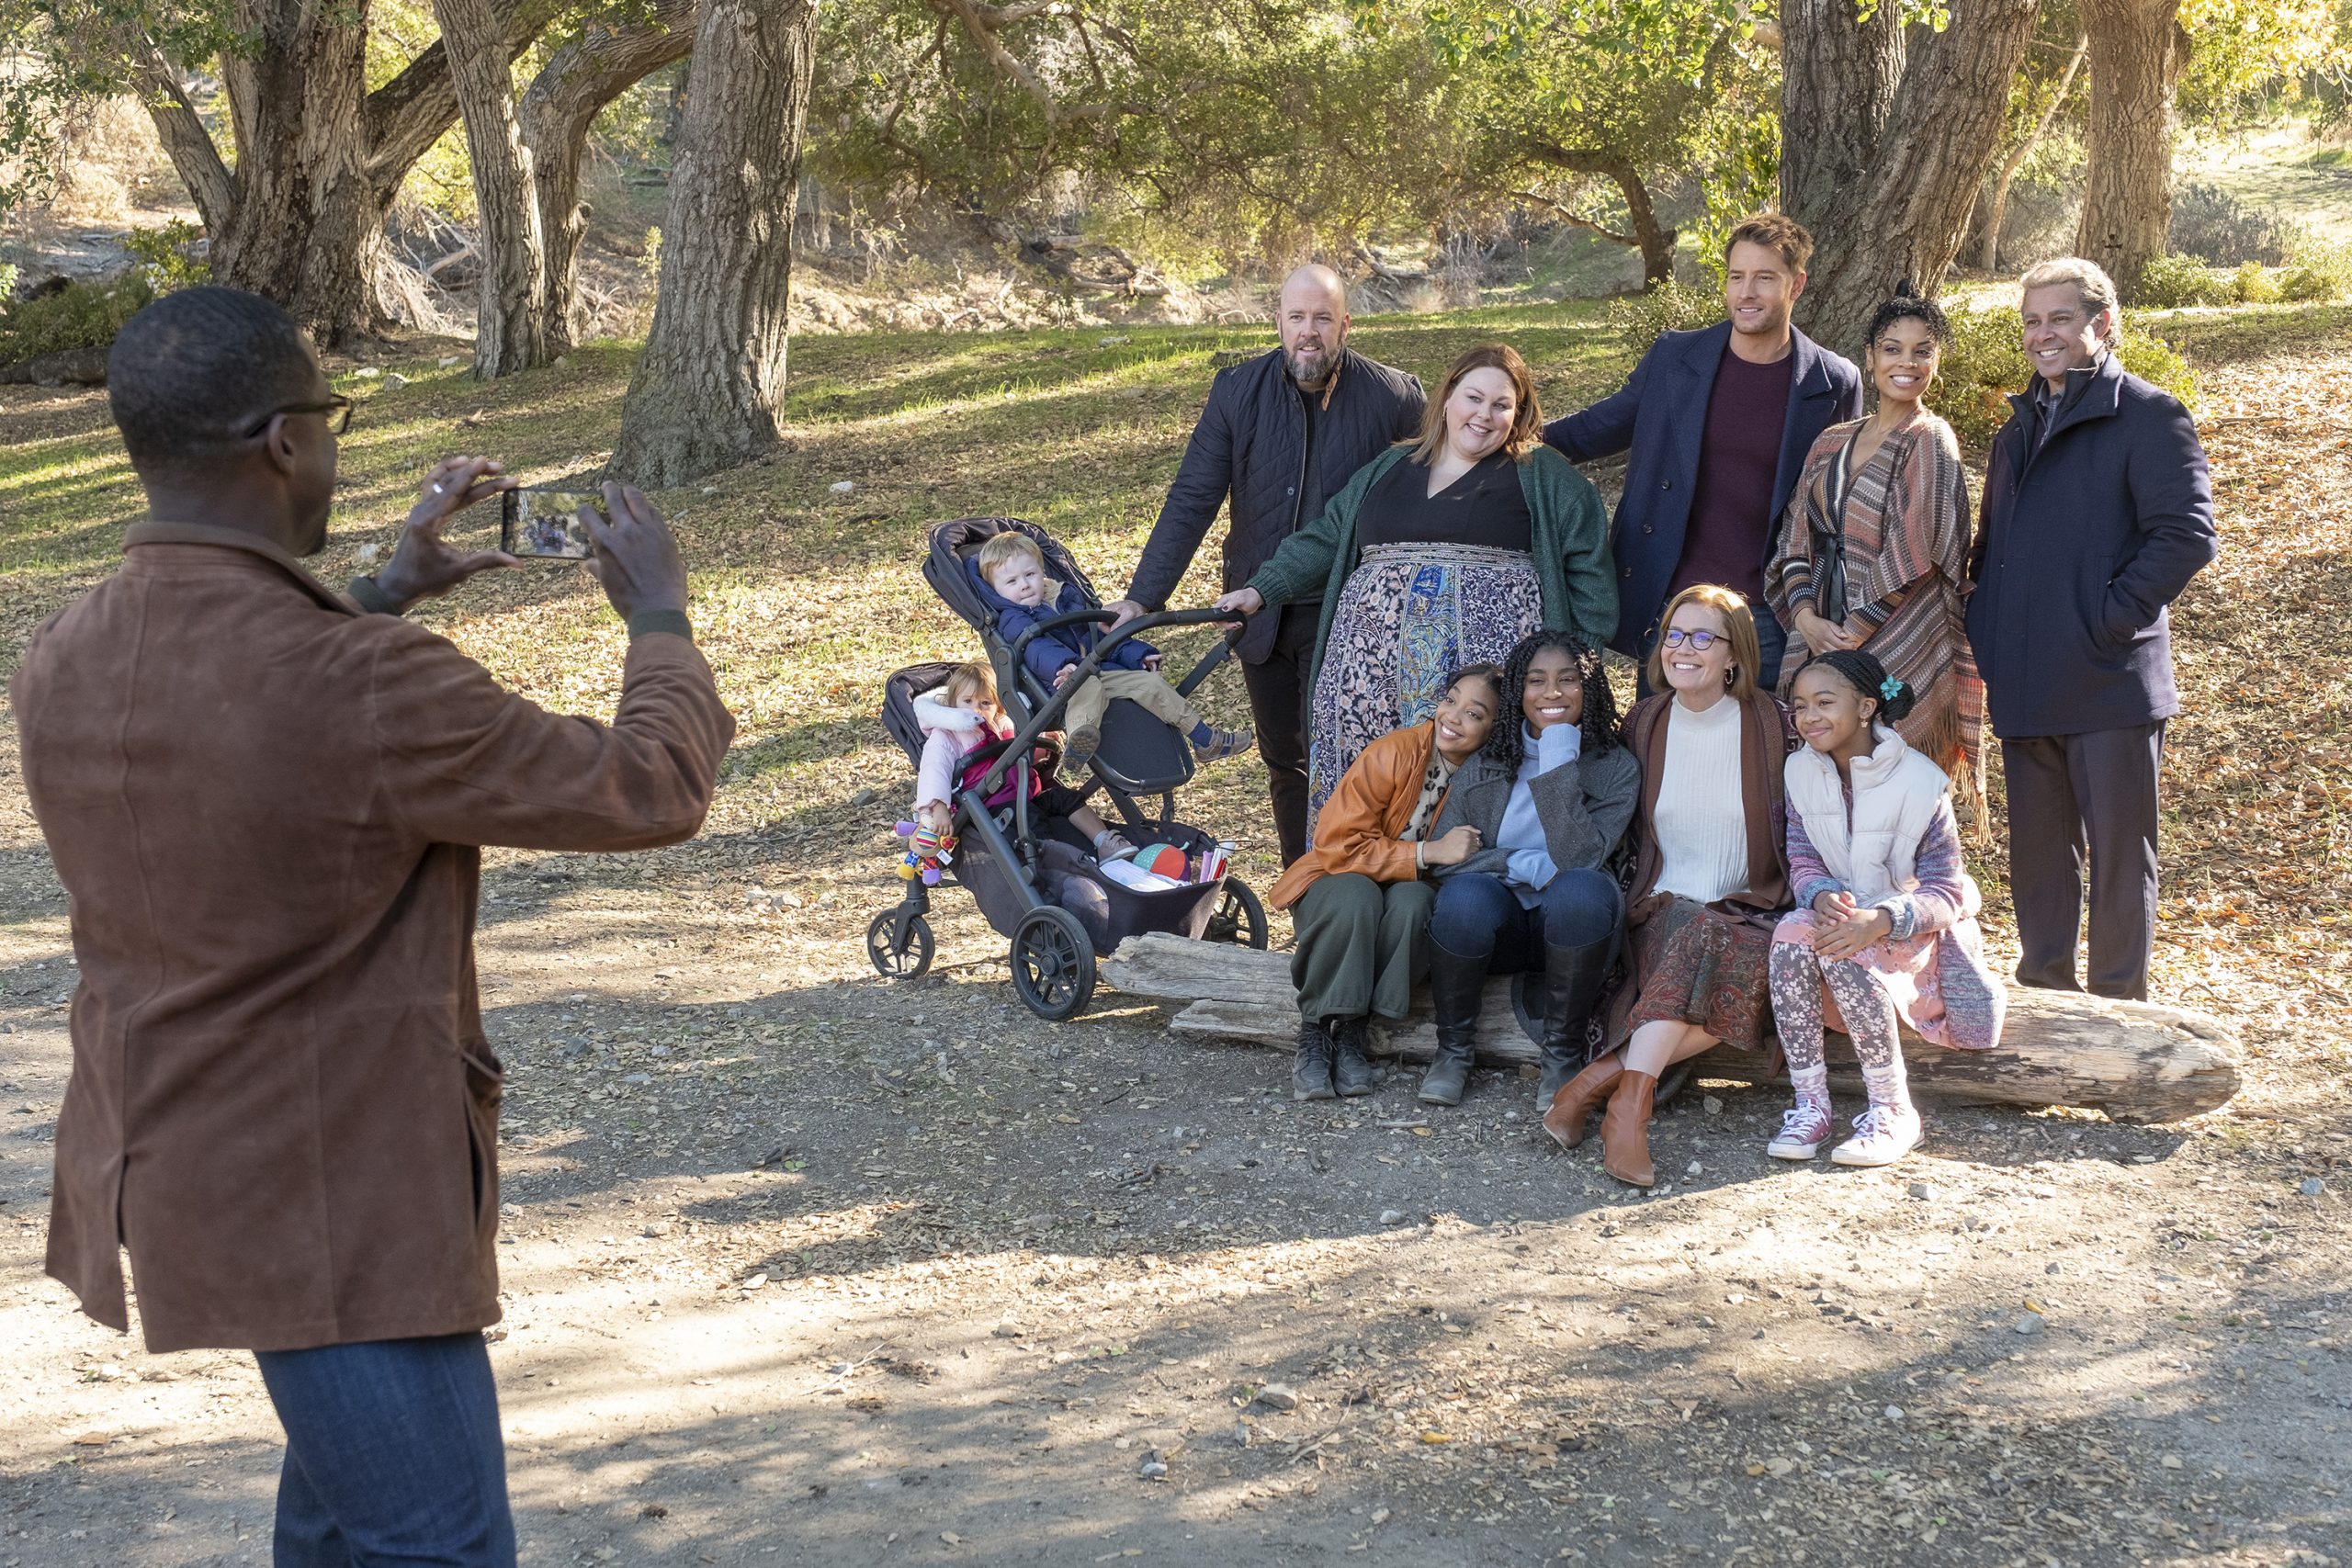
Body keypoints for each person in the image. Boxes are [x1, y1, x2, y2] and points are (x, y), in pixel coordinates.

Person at [14, 287, 736, 1564]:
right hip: (334, 1190)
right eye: (333, 421)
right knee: (438, 1546)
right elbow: (650, 787)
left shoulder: (66, 648)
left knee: (347, 1531)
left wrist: (383, 589)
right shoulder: (360, 682)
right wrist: (659, 618)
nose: (335, 451)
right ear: (284, 440)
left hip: (176, 1154)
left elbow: (249, 713)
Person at [1215, 344, 1615, 828]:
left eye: (1501, 405)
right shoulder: (1389, 467)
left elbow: (1590, 575)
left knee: (1469, 798)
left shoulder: (1544, 475)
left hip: (1479, 682)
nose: (1483, 415)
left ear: (1519, 414)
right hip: (1366, 678)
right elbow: (1326, 536)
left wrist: (1577, 672)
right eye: (1473, 398)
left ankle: (1462, 876)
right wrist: (1261, 590)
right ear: (1447, 398)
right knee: (1367, 794)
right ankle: (1358, 872)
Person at [1109, 265, 1425, 865]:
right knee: (1285, 763)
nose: (1310, 331)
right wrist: (1144, 597)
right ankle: (1303, 889)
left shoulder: (1395, 398)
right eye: (1298, 317)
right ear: (1277, 321)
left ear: (1345, 325)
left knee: (1346, 759)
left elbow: (1425, 502)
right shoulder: (1237, 391)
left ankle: (1352, 887)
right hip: (1261, 614)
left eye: (1323, 318)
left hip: (1349, 613)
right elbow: (1192, 498)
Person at [1966, 257, 2218, 1000]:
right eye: (2031, 321)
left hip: (2109, 681)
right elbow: (1991, 546)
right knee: (2040, 865)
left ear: (2101, 323)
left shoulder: (2148, 415)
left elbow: (2187, 535)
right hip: (2025, 678)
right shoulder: (2016, 431)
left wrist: (2107, 619)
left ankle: (2119, 1019)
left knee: (2119, 863)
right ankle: (2049, 1008)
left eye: (2060, 318)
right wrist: (1990, 627)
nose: (2042, 334)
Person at [1543, 213, 1863, 691]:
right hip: (1673, 603)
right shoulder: (1676, 357)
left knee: (1761, 739)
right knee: (1659, 735)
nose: (1746, 292)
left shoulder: (1833, 381)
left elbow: (1837, 506)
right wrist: (1512, 441)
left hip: (1768, 611)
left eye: (1764, 278)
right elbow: (1601, 426)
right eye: (1736, 277)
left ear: (1796, 285)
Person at [1541, 585, 1793, 1188]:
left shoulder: (1776, 724)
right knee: (1699, 930)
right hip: (1662, 909)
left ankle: (1602, 1087)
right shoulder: (1645, 722)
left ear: (1734, 654)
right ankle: (1627, 1109)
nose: (1683, 648)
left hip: (1752, 908)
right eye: (1674, 634)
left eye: (1703, 637)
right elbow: (1598, 825)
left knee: (1755, 955)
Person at [1768, 650, 2006, 1168]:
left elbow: (1947, 892)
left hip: (1911, 929)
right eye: (1800, 706)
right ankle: (1811, 1104)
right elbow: (1803, 859)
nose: (1809, 717)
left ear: (1866, 707)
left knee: (1842, 948)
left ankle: (1893, 1108)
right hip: (1846, 920)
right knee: (1791, 933)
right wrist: (1821, 895)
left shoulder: (1921, 782)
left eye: (1824, 703)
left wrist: (1880, 921)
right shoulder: (1799, 771)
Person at [1765, 288, 1986, 823]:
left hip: (1896, 625)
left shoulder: (1930, 438)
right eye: (1892, 349)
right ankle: (1825, 862)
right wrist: (1805, 617)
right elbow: (1796, 533)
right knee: (1820, 763)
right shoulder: (1831, 441)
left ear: (1937, 361)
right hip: (1820, 620)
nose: (1906, 363)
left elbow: (1918, 546)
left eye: (1922, 351)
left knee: (1888, 766)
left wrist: (1854, 630)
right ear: (1869, 356)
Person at [1420, 631, 1640, 1109]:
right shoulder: (1488, 761)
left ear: (1589, 687)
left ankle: (1561, 1056)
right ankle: (1453, 1051)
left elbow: (1579, 858)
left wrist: (1558, 753)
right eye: (1536, 680)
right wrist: (1526, 863)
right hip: (1497, 932)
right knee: (1465, 896)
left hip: (1574, 932)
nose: (1552, 692)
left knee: (1581, 888)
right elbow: (1451, 859)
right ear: (1519, 691)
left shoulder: (1615, 768)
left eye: (1568, 680)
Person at [1266, 666, 1504, 1100]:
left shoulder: (1488, 779)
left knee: (1415, 904)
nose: (1452, 717)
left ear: (1494, 728)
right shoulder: (1393, 752)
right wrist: (1427, 852)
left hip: (1406, 889)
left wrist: (1435, 863)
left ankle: (1355, 1030)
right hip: (1336, 877)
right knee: (1356, 896)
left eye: (1474, 713)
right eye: (1450, 700)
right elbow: (1337, 844)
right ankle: (1315, 1028)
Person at [970, 532, 1250, 768]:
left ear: (1042, 571)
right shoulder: (1013, 618)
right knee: (1086, 684)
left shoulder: (1064, 598)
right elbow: (1036, 649)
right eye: (1012, 581)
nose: (1024, 585)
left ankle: (1205, 740)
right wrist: (1064, 665)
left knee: (1150, 683)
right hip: (1059, 683)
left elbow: (1099, 636)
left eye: (1030, 574)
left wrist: (1137, 655)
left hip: (1099, 669)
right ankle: (1079, 742)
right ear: (995, 589)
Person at [913, 660, 1138, 861]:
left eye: (985, 703)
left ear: (998, 705)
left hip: (1027, 795)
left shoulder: (1003, 726)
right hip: (992, 806)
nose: (976, 710)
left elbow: (1024, 758)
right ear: (952, 703)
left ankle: (1103, 842)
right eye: (967, 701)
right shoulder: (946, 736)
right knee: (1028, 819)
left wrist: (1042, 745)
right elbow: (934, 770)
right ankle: (1060, 861)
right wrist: (938, 806)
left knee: (1064, 797)